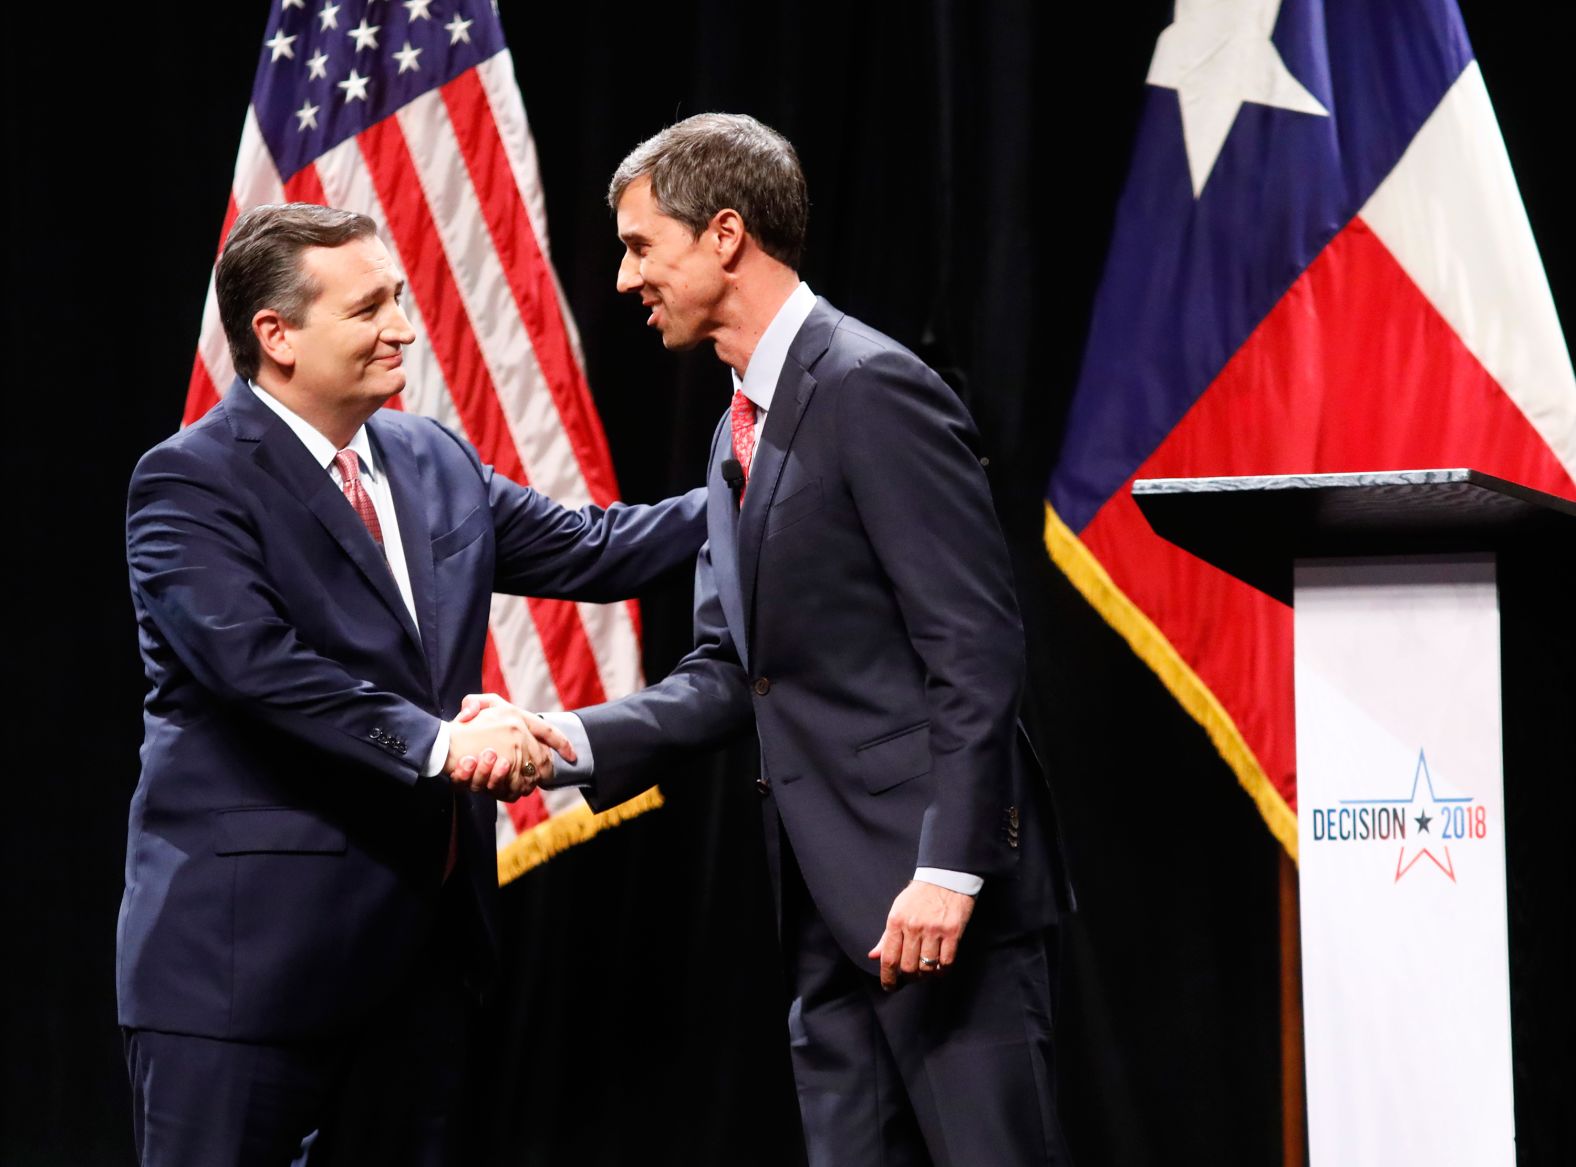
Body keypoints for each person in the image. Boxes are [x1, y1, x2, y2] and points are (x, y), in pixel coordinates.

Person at [527, 113, 1075, 1164]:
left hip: (936, 907)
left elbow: (974, 646)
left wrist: (950, 870)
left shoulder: (869, 387)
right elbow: (739, 676)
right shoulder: (739, 425)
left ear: (724, 233)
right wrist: (571, 741)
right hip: (831, 915)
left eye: (642, 245)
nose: (626, 278)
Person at [119, 202, 706, 1165]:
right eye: (369, 308)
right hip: (239, 977)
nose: (404, 325)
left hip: (417, 969)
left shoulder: (430, 457)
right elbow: (257, 667)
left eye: (397, 297)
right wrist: (441, 743)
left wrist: (752, 474)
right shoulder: (190, 483)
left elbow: (598, 550)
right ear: (276, 336)